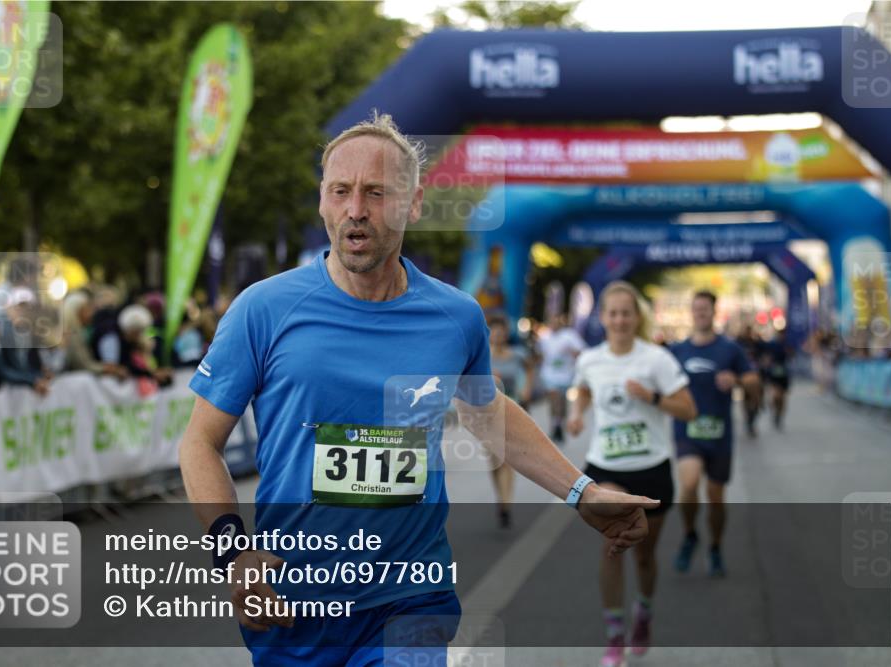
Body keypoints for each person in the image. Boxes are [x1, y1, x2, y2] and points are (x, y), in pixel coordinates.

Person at [178, 113, 661, 667]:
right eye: (341, 191)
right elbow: (200, 442)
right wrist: (234, 552)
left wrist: (582, 492)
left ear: (413, 205)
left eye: (376, 193)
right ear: (322, 200)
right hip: (296, 604)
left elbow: (486, 414)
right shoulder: (263, 309)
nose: (356, 210)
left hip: (411, 596)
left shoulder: (454, 317)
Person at [567, 280, 697, 667]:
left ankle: (644, 611)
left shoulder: (656, 359)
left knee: (644, 557)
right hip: (605, 466)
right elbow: (584, 389)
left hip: (652, 469)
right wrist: (576, 414)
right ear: (603, 317)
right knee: (612, 547)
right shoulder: (589, 359)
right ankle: (614, 635)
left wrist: (652, 397)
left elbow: (689, 410)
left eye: (627, 312)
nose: (620, 319)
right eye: (613, 313)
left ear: (636, 316)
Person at [669, 291, 758, 578]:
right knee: (689, 484)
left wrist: (737, 380)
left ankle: (716, 546)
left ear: (713, 312)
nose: (700, 314)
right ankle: (690, 533)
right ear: (691, 313)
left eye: (705, 309)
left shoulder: (730, 349)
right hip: (687, 431)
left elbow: (754, 381)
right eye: (696, 309)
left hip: (720, 434)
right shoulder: (677, 350)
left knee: (716, 496)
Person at [486, 313, 535, 528]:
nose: (498, 335)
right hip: (485, 414)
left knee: (506, 459)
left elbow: (530, 368)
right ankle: (501, 498)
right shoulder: (482, 356)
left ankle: (506, 505)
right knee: (494, 461)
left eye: (501, 331)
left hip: (510, 410)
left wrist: (526, 390)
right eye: (494, 331)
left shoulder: (516, 354)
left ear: (506, 333)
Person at [538, 312, 586, 443]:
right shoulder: (545, 337)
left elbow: (581, 352)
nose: (553, 324)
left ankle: (558, 425)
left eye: (556, 321)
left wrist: (571, 352)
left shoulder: (569, 335)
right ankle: (555, 425)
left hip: (565, 375)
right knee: (555, 399)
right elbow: (541, 355)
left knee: (561, 401)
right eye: (551, 322)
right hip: (549, 375)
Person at [760, 327, 792, 430]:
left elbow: (792, 356)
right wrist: (766, 367)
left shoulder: (788, 344)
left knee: (783, 398)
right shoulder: (772, 344)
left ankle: (779, 416)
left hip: (784, 373)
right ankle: (773, 407)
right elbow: (766, 357)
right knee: (776, 395)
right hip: (774, 372)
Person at [736, 324, 765, 437]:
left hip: (757, 376)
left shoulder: (756, 344)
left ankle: (752, 420)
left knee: (757, 400)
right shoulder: (739, 344)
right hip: (744, 377)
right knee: (746, 400)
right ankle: (748, 421)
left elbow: (764, 354)